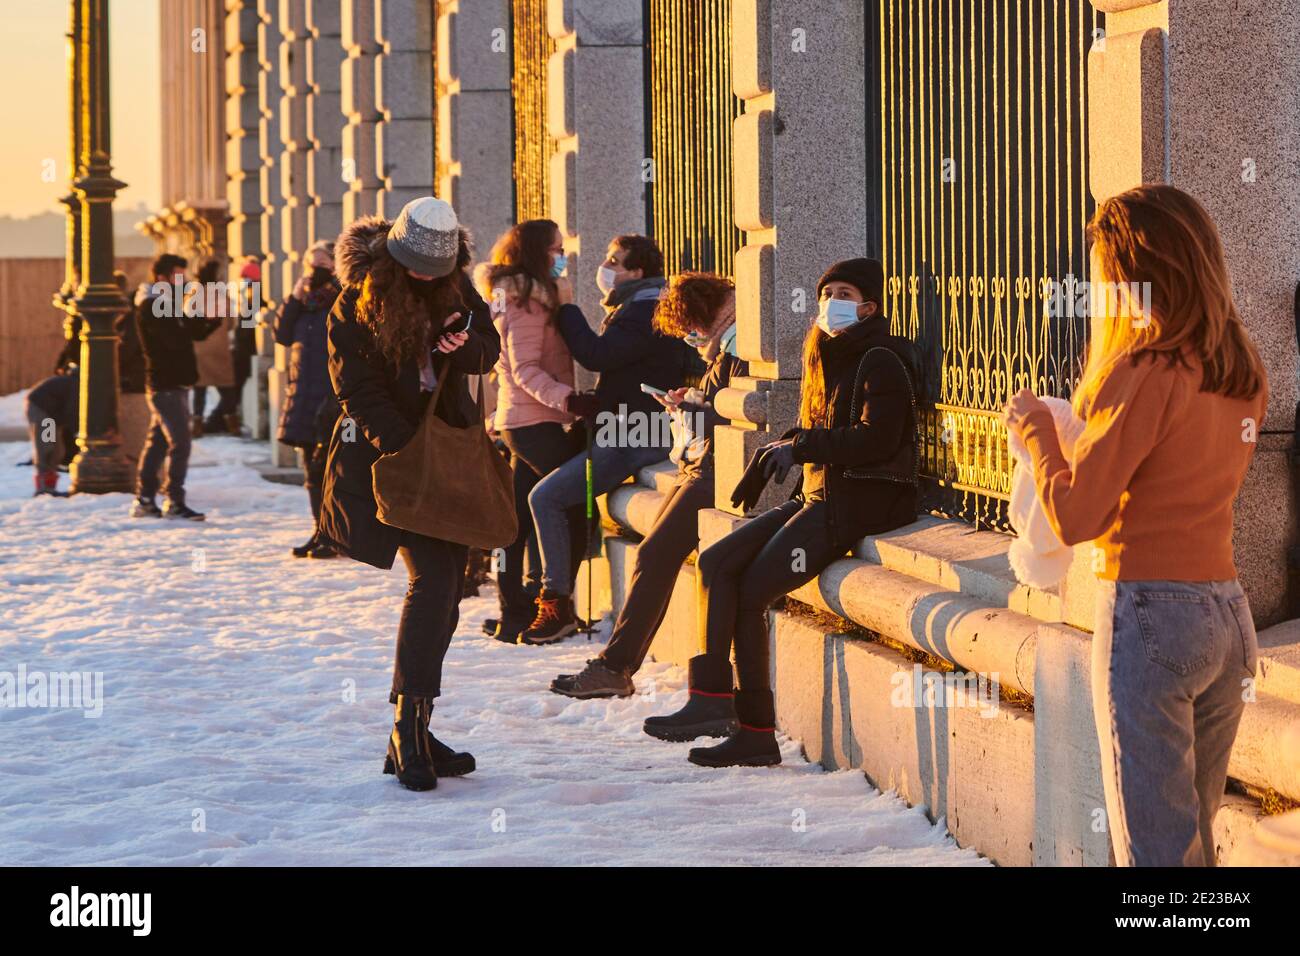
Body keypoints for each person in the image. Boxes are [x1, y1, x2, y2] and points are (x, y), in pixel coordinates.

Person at [1005, 185, 1267, 866]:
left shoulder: (1149, 369)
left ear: (1134, 274)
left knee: (1156, 857)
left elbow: (1076, 515)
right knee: (1191, 845)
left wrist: (1036, 429)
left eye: (1107, 278)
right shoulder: (1240, 368)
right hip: (1228, 614)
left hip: (1151, 615)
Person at [644, 258, 919, 768]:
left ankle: (754, 731)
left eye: (842, 292)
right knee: (716, 561)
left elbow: (878, 439)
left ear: (868, 306)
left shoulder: (880, 357)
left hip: (861, 502)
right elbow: (822, 431)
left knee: (751, 591)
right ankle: (710, 698)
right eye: (825, 292)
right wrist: (780, 447)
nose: (829, 302)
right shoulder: (826, 352)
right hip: (819, 494)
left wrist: (805, 447)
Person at [316, 197, 499, 792]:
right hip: (391, 461)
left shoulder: (456, 288)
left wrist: (458, 345)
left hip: (445, 457)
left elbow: (488, 351)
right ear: (395, 256)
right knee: (434, 581)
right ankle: (407, 726)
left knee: (450, 588)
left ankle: (417, 723)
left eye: (436, 270)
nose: (426, 278)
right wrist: (402, 448)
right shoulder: (356, 299)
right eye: (416, 268)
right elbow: (357, 390)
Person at [551, 272, 746, 697]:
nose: (690, 337)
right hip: (702, 463)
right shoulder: (727, 341)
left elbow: (736, 414)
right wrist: (687, 403)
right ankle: (614, 665)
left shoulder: (738, 344)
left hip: (719, 471)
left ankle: (615, 667)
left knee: (657, 552)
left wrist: (694, 406)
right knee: (653, 551)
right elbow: (719, 406)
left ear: (703, 314)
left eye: (689, 328)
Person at [520, 234, 704, 644]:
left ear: (637, 272)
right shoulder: (642, 304)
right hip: (628, 428)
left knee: (544, 497)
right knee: (549, 494)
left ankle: (555, 604)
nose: (606, 267)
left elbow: (597, 355)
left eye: (615, 262)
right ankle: (550, 595)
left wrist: (567, 305)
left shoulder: (645, 311)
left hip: (633, 435)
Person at [475, 219, 591, 643]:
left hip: (521, 420)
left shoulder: (517, 296)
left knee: (517, 522)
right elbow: (525, 368)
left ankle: (516, 612)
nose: (563, 257)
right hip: (536, 421)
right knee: (571, 506)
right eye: (556, 250)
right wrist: (571, 400)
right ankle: (551, 606)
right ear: (535, 254)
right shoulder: (525, 301)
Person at [131, 254, 221, 521]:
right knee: (180, 443)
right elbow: (176, 340)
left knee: (158, 443)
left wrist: (210, 317)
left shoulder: (167, 303)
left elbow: (194, 332)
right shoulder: (151, 305)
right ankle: (174, 501)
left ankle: (145, 500)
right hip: (165, 386)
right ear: (162, 278)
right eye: (178, 276)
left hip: (174, 385)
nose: (182, 282)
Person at [275, 239, 341, 559]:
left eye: (323, 265)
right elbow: (282, 335)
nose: (316, 272)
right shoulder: (302, 303)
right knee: (311, 472)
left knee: (331, 469)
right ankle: (320, 531)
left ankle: (336, 534)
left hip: (331, 397)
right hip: (302, 395)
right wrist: (294, 297)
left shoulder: (341, 298)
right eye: (311, 265)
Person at [25, 365, 79, 496]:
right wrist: (77, 433)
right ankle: (43, 489)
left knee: (57, 451)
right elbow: (72, 411)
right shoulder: (76, 384)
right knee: (47, 448)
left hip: (51, 413)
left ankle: (49, 487)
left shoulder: (72, 382)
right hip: (44, 411)